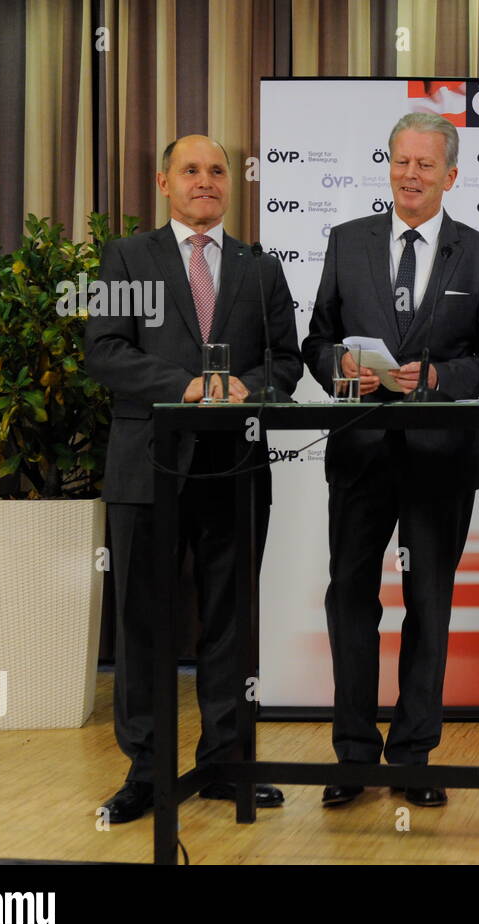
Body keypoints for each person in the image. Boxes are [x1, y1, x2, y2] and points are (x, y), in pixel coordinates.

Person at [85, 134, 303, 823]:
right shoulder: (127, 258)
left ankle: (226, 764)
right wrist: (188, 386)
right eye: (191, 170)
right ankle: (146, 773)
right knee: (145, 623)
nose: (205, 181)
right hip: (147, 464)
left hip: (234, 465)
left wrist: (245, 386)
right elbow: (106, 350)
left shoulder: (259, 266)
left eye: (216, 171)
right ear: (163, 181)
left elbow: (287, 363)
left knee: (231, 624)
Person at [301, 112, 479, 809]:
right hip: (359, 453)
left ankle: (414, 753)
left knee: (429, 602)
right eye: (400, 161)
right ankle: (353, 754)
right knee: (351, 601)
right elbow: (317, 338)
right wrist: (340, 368)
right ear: (387, 165)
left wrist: (441, 379)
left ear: (451, 175)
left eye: (425, 164)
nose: (410, 174)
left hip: (439, 458)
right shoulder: (346, 241)